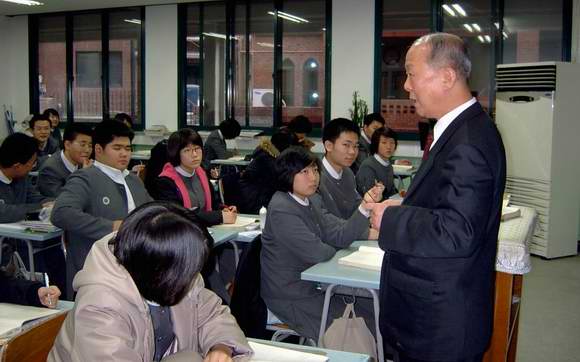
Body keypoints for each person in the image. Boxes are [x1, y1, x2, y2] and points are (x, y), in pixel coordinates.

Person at [368, 33, 506, 362]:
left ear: (447, 76)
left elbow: (457, 231)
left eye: (412, 74)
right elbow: (449, 206)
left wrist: (391, 218)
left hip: (440, 324)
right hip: (438, 314)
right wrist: (407, 205)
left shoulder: (468, 141)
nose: (406, 86)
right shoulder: (462, 130)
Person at [48, 202, 252, 362]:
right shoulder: (99, 305)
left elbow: (212, 314)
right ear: (161, 270)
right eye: (189, 270)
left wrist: (221, 347)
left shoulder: (170, 269)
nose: (194, 278)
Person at [261, 147, 378, 341]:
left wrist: (364, 209)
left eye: (315, 170)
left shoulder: (313, 199)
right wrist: (332, 244)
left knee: (371, 311)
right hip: (292, 294)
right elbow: (318, 253)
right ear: (287, 175)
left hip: (317, 284)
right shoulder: (282, 207)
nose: (313, 177)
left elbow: (338, 233)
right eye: (304, 172)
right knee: (355, 329)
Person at [51, 120, 152, 298]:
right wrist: (111, 227)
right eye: (117, 148)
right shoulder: (85, 178)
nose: (124, 154)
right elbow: (61, 213)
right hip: (97, 272)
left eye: (128, 149)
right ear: (98, 150)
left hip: (134, 266)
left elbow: (151, 210)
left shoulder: (132, 180)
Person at [151, 128, 236, 226]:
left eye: (197, 149)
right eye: (187, 150)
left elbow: (213, 203)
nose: (195, 155)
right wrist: (219, 216)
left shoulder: (201, 173)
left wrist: (223, 209)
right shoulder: (165, 181)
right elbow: (180, 215)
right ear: (176, 153)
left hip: (209, 230)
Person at [317, 118, 383, 220]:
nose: (352, 152)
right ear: (329, 146)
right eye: (346, 145)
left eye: (356, 146)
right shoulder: (315, 178)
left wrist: (369, 200)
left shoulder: (348, 173)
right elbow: (325, 224)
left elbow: (356, 207)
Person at [237, 128, 298, 214]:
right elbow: (282, 183)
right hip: (255, 201)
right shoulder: (267, 159)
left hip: (258, 196)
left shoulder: (268, 153)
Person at [0, 133, 52, 223]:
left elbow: (34, 198)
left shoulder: (21, 177)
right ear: (17, 166)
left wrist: (54, 203)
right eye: (32, 163)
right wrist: (41, 207)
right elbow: (3, 213)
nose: (33, 167)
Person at [38, 123, 93, 197]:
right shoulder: (50, 169)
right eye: (82, 145)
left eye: (90, 146)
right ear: (67, 145)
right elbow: (64, 200)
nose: (87, 150)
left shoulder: (84, 163)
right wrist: (83, 175)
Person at [355, 127, 398, 200]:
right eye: (384, 142)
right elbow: (370, 197)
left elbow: (391, 191)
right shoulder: (368, 166)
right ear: (376, 144)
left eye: (392, 143)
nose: (389, 146)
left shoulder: (388, 165)